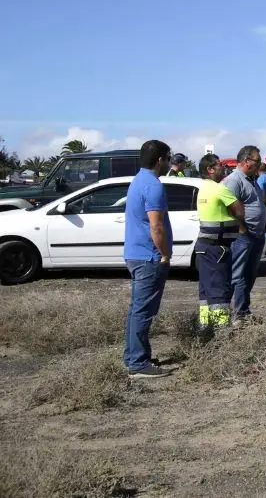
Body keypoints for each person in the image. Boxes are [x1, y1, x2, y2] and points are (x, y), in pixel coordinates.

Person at [123, 139, 174, 378]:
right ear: (160, 160)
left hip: (136, 255)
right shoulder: (153, 185)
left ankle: (134, 356)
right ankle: (138, 363)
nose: (170, 163)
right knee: (143, 311)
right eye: (169, 158)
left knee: (137, 310)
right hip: (148, 257)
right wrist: (164, 253)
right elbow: (156, 227)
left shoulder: (138, 180)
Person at [195, 154, 245, 329]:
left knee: (206, 291)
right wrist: (240, 225)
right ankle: (221, 333)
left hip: (203, 247)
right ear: (210, 169)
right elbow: (239, 210)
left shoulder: (203, 189)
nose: (223, 168)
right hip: (218, 248)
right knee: (219, 291)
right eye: (220, 165)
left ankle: (205, 329)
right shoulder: (219, 189)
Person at [223, 145, 266, 320]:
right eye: (257, 160)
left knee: (249, 276)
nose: (260, 164)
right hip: (243, 236)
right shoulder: (235, 180)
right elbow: (228, 207)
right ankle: (232, 316)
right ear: (246, 161)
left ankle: (243, 312)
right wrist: (242, 228)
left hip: (256, 236)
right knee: (237, 276)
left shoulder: (251, 179)